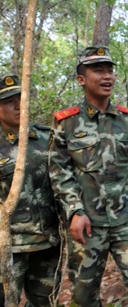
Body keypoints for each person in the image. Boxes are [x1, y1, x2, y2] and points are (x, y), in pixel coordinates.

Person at [49, 46, 128, 307]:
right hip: (87, 223)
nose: (107, 76)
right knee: (83, 295)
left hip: (127, 220)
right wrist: (75, 211)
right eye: (98, 71)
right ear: (81, 79)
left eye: (110, 70)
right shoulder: (66, 122)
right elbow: (60, 171)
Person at [0, 75, 61, 307]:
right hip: (9, 245)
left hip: (47, 241)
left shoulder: (46, 138)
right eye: (9, 101)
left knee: (45, 301)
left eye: (21, 98)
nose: (17, 105)